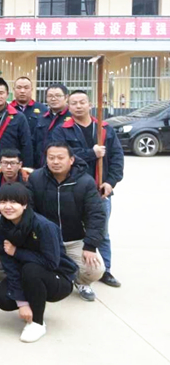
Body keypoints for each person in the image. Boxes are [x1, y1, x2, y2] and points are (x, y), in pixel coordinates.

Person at [50, 90, 124, 287]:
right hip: (73, 190)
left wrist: (110, 182)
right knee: (73, 231)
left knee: (102, 231)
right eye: (74, 103)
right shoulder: (62, 130)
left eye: (82, 102)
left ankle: (105, 270)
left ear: (89, 104)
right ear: (68, 106)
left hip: (100, 190)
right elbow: (61, 157)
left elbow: (117, 158)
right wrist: (91, 153)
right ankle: (73, 270)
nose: (78, 106)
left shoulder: (105, 129)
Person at [0, 183, 77, 343]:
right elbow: (9, 266)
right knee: (2, 298)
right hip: (27, 274)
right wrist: (22, 302)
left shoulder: (43, 226)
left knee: (31, 269)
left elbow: (51, 263)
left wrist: (17, 252)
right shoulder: (1, 227)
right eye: (3, 202)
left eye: (14, 202)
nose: (8, 206)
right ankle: (33, 301)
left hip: (58, 278)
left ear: (24, 204)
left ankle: (37, 323)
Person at [27, 142, 106, 301]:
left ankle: (82, 282)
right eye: (51, 158)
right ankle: (54, 279)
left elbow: (96, 215)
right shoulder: (36, 178)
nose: (55, 162)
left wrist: (90, 245)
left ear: (71, 160)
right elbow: (29, 210)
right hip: (45, 239)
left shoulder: (85, 182)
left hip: (74, 239)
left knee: (95, 269)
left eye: (60, 158)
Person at [34, 83, 71, 168]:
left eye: (58, 96)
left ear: (66, 97)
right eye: (50, 96)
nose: (53, 99)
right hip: (41, 166)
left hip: (63, 166)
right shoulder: (41, 118)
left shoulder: (73, 118)